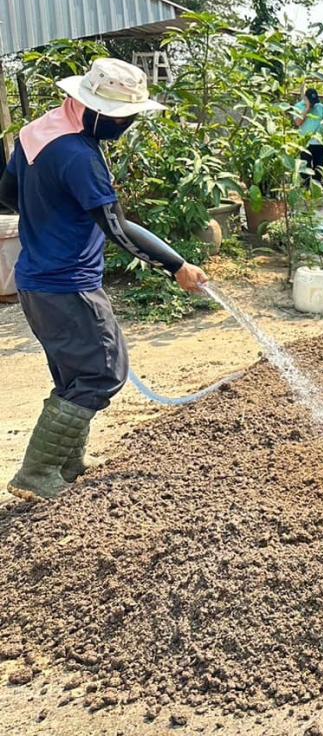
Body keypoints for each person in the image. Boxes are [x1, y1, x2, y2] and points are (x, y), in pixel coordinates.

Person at [0, 58, 209, 502]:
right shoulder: (78, 156)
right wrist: (176, 266)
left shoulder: (40, 130)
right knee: (104, 372)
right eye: (120, 118)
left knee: (75, 377)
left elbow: (8, 192)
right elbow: (116, 226)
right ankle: (36, 473)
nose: (127, 124)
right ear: (90, 108)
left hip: (37, 280)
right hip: (67, 285)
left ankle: (65, 465)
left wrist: (50, 215)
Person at [293, 87, 323, 184]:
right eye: (311, 101)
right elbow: (298, 122)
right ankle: (306, 189)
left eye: (314, 101)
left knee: (318, 170)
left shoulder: (320, 107)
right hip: (306, 143)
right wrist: (308, 108)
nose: (313, 103)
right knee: (305, 171)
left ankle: (316, 191)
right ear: (305, 98)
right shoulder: (298, 106)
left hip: (320, 143)